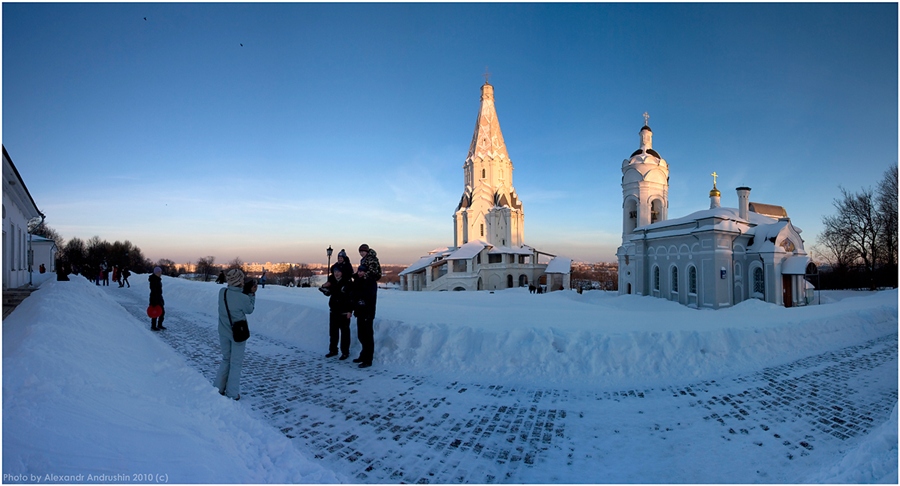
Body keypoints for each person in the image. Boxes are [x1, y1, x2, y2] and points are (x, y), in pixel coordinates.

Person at [214, 268, 256, 400]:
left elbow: (233, 299)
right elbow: (249, 309)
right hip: (238, 334)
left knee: (226, 359)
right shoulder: (243, 297)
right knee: (236, 363)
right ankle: (232, 393)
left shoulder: (222, 292)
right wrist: (251, 294)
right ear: (239, 281)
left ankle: (218, 388)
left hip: (223, 331)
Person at [352, 244, 381, 368]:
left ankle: (368, 359)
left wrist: (364, 277)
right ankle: (363, 355)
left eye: (363, 252)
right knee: (361, 334)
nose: (362, 254)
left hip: (367, 311)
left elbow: (374, 275)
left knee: (367, 335)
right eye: (360, 252)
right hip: (360, 311)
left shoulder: (372, 260)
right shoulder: (363, 266)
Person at [322, 265, 353, 360]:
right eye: (335, 272)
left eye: (338, 272)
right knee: (333, 332)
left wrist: (349, 310)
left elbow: (351, 298)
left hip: (344, 312)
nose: (337, 273)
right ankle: (333, 350)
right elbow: (328, 293)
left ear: (342, 273)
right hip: (334, 310)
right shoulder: (333, 282)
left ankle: (345, 352)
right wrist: (323, 287)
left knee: (344, 333)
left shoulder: (347, 282)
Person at [148, 266, 166, 331]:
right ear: (156, 272)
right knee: (155, 311)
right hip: (154, 297)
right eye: (159, 272)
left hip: (159, 297)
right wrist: (154, 300)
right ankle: (153, 326)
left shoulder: (158, 279)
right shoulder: (153, 280)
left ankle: (159, 324)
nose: (160, 273)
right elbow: (153, 290)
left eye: (160, 272)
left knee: (162, 312)